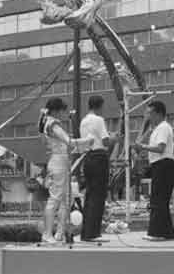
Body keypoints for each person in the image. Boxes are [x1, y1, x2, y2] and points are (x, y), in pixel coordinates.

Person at [38, 97, 93, 243]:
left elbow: (69, 145)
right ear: (57, 111)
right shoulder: (52, 124)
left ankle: (59, 233)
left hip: (62, 162)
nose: (65, 113)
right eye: (63, 110)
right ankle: (47, 233)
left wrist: (83, 145)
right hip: (58, 162)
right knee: (55, 198)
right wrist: (87, 140)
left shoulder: (50, 123)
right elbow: (69, 142)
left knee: (65, 200)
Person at [134, 100, 174, 241]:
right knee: (160, 200)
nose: (148, 116)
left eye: (150, 113)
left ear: (158, 113)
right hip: (159, 165)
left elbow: (161, 148)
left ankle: (157, 232)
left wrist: (144, 147)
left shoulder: (164, 127)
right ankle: (167, 233)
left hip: (164, 165)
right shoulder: (156, 129)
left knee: (158, 200)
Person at [79, 95, 114, 242]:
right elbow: (105, 141)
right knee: (98, 196)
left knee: (90, 195)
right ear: (100, 106)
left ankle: (86, 232)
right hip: (99, 157)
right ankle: (93, 233)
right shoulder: (99, 120)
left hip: (87, 158)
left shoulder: (83, 121)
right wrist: (115, 139)